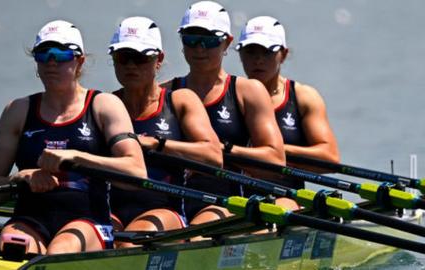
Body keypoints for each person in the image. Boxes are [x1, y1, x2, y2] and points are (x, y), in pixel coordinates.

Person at [0, 20, 146, 255]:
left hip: (88, 221)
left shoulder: (104, 105)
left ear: (79, 61)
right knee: (11, 244)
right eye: (43, 54)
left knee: (60, 251)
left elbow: (137, 173)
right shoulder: (17, 111)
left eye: (61, 54)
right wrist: (19, 177)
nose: (51, 62)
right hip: (30, 220)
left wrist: (77, 157)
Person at [163, 1, 289, 224]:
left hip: (229, 205)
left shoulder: (247, 92)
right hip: (170, 206)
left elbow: (275, 163)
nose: (199, 48)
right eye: (191, 39)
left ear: (227, 42)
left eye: (210, 40)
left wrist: (218, 152)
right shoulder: (165, 92)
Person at [107, 16, 222, 247]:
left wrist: (156, 144)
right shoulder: (105, 104)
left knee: (128, 243)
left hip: (165, 211)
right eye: (123, 57)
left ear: (158, 59)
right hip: (113, 210)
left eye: (140, 58)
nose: (131, 65)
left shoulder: (180, 101)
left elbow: (213, 156)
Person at [235, 16, 340, 175]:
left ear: (283, 54)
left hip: (286, 195)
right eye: (250, 52)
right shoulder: (229, 94)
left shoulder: (304, 97)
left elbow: (330, 158)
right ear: (240, 54)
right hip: (235, 196)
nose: (258, 60)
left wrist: (274, 151)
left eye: (267, 52)